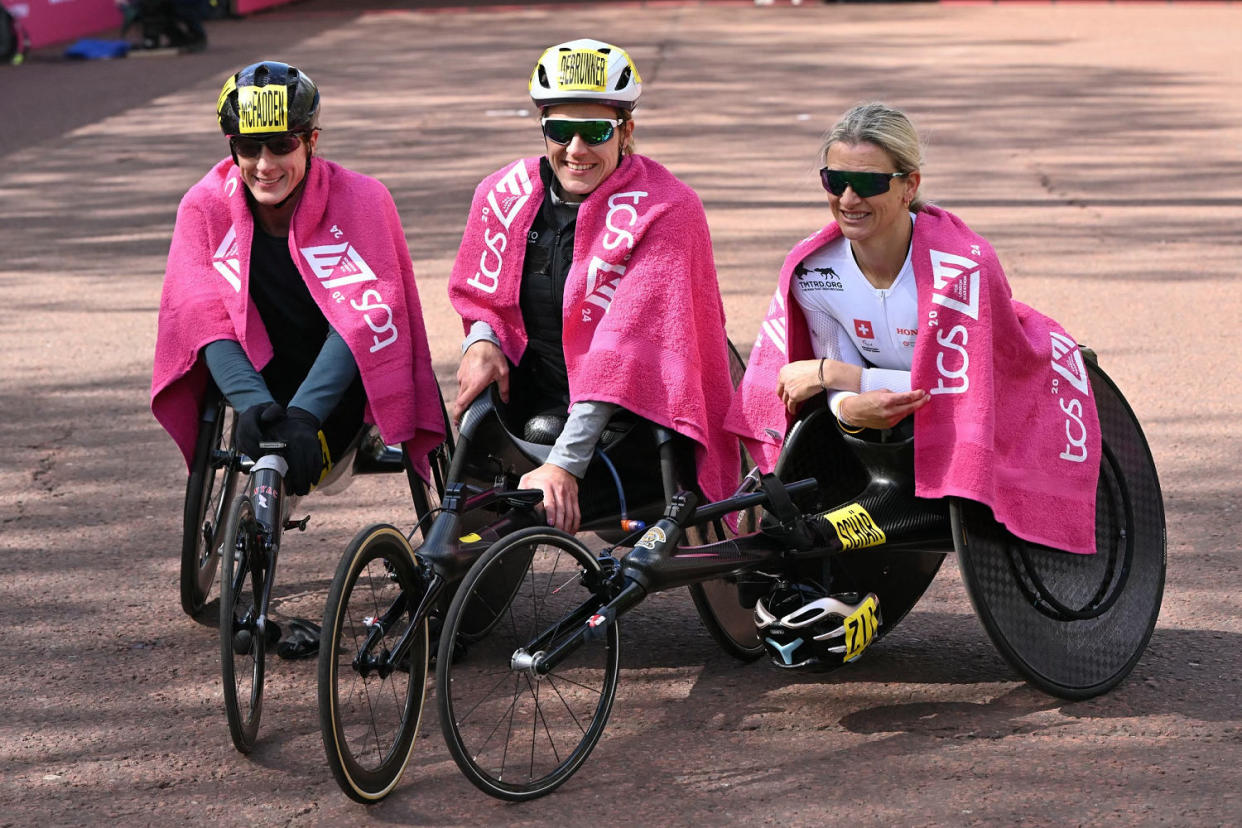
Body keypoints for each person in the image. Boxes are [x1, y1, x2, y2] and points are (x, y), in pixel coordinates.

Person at [726, 101, 1101, 558]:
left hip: (1000, 409)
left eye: (867, 183)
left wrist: (844, 378)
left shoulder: (962, 270)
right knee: (799, 526)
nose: (847, 199)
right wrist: (848, 407)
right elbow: (836, 371)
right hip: (889, 431)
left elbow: (970, 395)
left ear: (909, 186)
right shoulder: (813, 272)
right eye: (835, 180)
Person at [449, 37, 739, 534]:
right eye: (560, 130)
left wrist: (564, 464)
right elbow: (485, 299)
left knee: (548, 444)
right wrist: (482, 338)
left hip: (634, 425)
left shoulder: (667, 209)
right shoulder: (503, 194)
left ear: (626, 131)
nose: (576, 150)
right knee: (475, 433)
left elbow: (620, 353)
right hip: (541, 401)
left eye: (595, 131)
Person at [151, 60, 443, 506]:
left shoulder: (363, 199)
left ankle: (318, 450)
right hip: (254, 374)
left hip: (342, 378)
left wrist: (304, 415)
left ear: (311, 142)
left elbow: (367, 317)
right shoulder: (204, 205)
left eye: (281, 145)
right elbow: (201, 315)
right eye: (249, 149)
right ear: (233, 150)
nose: (264, 165)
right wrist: (250, 403)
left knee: (311, 436)